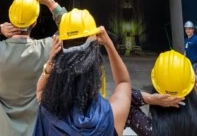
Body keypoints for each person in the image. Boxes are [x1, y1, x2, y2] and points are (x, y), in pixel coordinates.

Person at [0, 0, 65, 136]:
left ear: (11, 18)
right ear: (34, 22)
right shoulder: (46, 49)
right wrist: (50, 3)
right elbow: (69, 28)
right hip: (35, 130)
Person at [34, 8, 132, 136]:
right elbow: (123, 82)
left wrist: (51, 60)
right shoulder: (112, 115)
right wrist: (109, 44)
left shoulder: (47, 111)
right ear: (93, 61)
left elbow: (39, 90)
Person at [126, 50, 197, 136]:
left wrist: (151, 99)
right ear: (191, 85)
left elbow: (125, 98)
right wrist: (196, 82)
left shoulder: (150, 131)